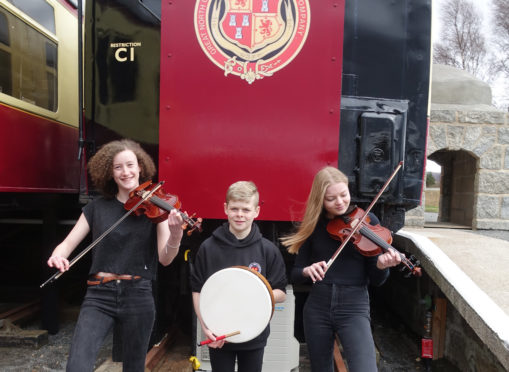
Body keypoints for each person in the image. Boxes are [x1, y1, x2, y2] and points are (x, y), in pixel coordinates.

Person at [47, 139, 184, 372]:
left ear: (140, 167)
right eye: (118, 167)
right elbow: (66, 245)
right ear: (110, 172)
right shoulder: (97, 208)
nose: (125, 172)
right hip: (99, 295)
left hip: (138, 295)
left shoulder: (156, 208)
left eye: (130, 165)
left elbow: (165, 258)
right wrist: (58, 256)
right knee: (77, 366)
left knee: (133, 367)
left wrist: (175, 236)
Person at [280, 166, 402, 372]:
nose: (340, 202)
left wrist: (382, 266)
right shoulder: (313, 225)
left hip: (354, 307)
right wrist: (307, 271)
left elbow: (377, 280)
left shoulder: (368, 221)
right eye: (331, 198)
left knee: (365, 368)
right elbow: (293, 275)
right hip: (318, 307)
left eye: (343, 195)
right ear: (320, 200)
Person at [190, 181, 287, 372]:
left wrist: (255, 293)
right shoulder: (208, 248)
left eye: (246, 209)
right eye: (234, 209)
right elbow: (198, 290)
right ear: (225, 209)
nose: (240, 215)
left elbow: (281, 292)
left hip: (254, 334)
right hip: (219, 334)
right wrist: (205, 326)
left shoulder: (268, 250)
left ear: (256, 211)